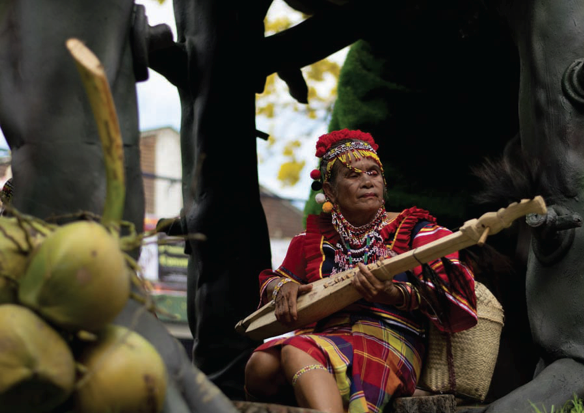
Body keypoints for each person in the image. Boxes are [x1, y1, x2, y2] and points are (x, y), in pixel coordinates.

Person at [244, 129, 478, 413]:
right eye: (353, 175)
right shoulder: (311, 240)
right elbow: (274, 279)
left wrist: (395, 294)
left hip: (389, 338)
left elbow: (451, 292)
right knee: (259, 366)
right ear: (329, 191)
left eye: (373, 173)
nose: (367, 181)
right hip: (322, 336)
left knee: (297, 350)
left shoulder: (416, 230)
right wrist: (281, 289)